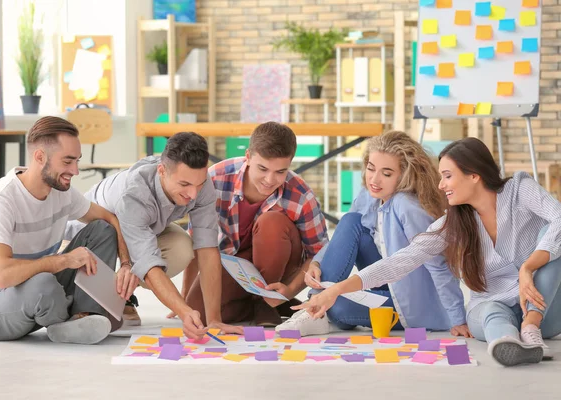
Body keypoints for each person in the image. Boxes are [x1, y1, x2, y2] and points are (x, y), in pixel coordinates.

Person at [295, 137, 561, 367]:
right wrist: (334, 290)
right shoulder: (453, 222)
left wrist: (528, 268)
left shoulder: (518, 190)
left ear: (474, 175)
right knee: (490, 311)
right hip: (494, 307)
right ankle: (508, 344)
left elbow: (558, 218)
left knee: (552, 244)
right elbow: (401, 261)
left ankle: (529, 328)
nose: (441, 185)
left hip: (546, 309)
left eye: (447, 176)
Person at [0, 116, 138, 344]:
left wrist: (125, 265)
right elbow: (1, 276)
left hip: (41, 289)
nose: (75, 170)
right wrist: (63, 261)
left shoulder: (62, 193)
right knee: (43, 283)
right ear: (40, 157)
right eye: (67, 161)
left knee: (101, 230)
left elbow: (110, 218)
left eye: (77, 161)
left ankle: (85, 316)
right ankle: (62, 320)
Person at [277, 131, 468, 337]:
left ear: (404, 175)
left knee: (337, 306)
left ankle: (318, 311)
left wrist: (457, 319)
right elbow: (344, 234)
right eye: (371, 169)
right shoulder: (370, 194)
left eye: (386, 174)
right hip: (385, 280)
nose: (374, 180)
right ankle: (316, 306)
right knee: (352, 221)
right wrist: (316, 262)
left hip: (411, 303)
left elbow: (439, 266)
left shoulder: (408, 207)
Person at [66, 132, 241, 338]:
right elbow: (149, 264)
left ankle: (122, 290)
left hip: (143, 228)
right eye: (184, 185)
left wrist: (214, 319)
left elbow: (207, 248)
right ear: (161, 171)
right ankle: (110, 294)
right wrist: (184, 312)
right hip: (94, 235)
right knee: (136, 260)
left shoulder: (198, 182)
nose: (194, 194)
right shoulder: (135, 194)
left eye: (199, 185)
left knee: (181, 247)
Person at [183, 121, 329, 326]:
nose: (270, 180)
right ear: (248, 156)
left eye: (280, 171)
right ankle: (267, 305)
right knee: (199, 313)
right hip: (235, 263)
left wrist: (290, 290)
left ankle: (268, 302)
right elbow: (196, 240)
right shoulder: (215, 179)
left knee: (271, 222)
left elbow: (319, 252)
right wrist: (184, 299)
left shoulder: (300, 195)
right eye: (262, 168)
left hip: (281, 261)